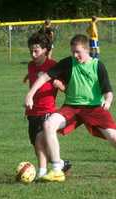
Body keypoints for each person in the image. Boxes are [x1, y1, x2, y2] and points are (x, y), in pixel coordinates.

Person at [25, 34, 116, 182]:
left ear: (87, 50)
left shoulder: (98, 65)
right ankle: (56, 170)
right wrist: (30, 94)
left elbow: (108, 91)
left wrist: (108, 101)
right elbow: (44, 77)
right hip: (71, 107)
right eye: (73, 52)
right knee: (48, 125)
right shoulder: (68, 63)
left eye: (78, 52)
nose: (75, 55)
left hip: (94, 108)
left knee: (113, 137)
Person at [24, 32, 71, 178]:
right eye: (31, 51)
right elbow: (34, 81)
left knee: (39, 141)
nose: (33, 54)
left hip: (47, 111)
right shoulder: (31, 65)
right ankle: (61, 164)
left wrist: (60, 85)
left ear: (45, 49)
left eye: (36, 51)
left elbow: (68, 88)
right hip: (32, 111)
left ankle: (42, 172)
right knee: (38, 145)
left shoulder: (53, 66)